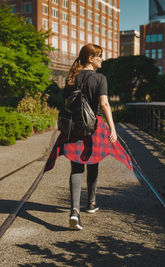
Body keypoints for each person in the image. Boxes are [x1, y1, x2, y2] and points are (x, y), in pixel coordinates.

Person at [44, 44, 133, 230]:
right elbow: (105, 104)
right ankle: (91, 204)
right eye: (99, 56)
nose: (102, 59)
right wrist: (113, 128)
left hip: (74, 128)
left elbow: (67, 104)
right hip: (95, 127)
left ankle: (74, 212)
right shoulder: (100, 78)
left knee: (76, 168)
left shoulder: (71, 78)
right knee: (93, 162)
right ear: (91, 59)